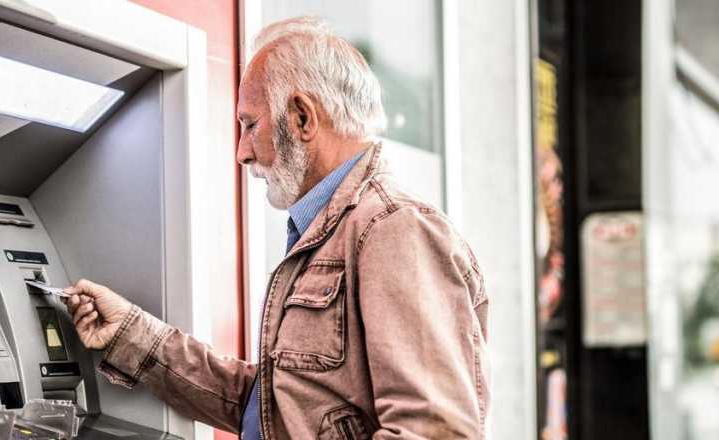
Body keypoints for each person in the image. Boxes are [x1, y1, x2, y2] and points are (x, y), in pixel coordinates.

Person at [62, 16, 489, 439]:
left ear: (303, 117)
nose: (242, 153)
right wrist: (131, 334)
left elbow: (435, 432)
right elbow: (270, 408)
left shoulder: (394, 230)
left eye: (250, 125)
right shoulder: (329, 233)